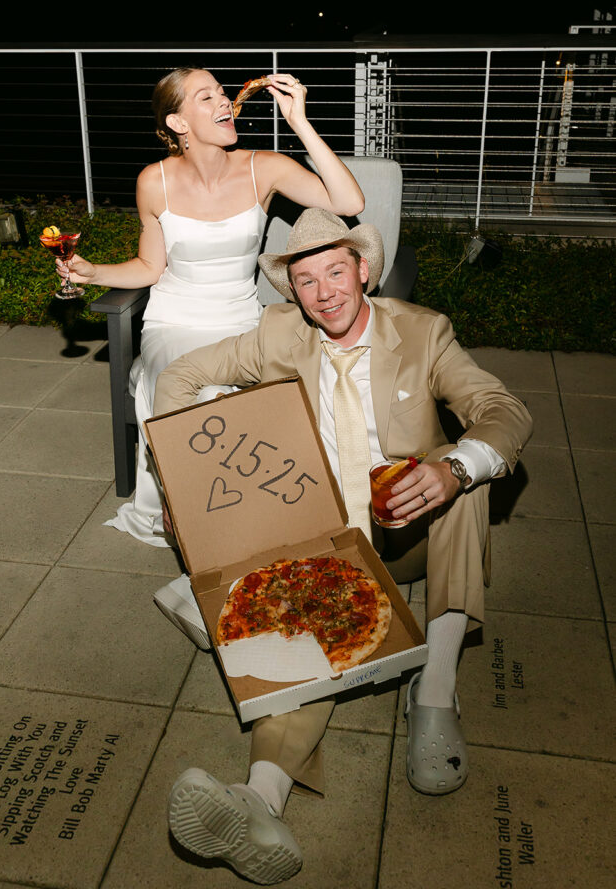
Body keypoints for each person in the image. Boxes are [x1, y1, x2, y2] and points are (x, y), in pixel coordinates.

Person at [153, 209, 533, 885]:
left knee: (465, 478)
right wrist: (183, 480)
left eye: (336, 270)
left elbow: (502, 411)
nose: (324, 291)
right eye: (305, 280)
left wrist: (449, 470)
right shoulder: (275, 336)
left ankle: (435, 689)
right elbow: (182, 375)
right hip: (316, 536)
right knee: (299, 636)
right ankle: (258, 800)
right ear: (291, 292)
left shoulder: (422, 332)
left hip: (404, 526)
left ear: (364, 270)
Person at [55, 68, 364, 553]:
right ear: (178, 123)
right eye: (207, 96)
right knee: (177, 379)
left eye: (222, 91)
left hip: (239, 321)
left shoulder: (265, 166)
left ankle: (234, 513)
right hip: (173, 320)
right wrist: (94, 272)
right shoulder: (153, 181)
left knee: (226, 393)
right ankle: (191, 514)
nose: (225, 100)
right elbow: (149, 265)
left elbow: (348, 202)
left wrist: (300, 121)